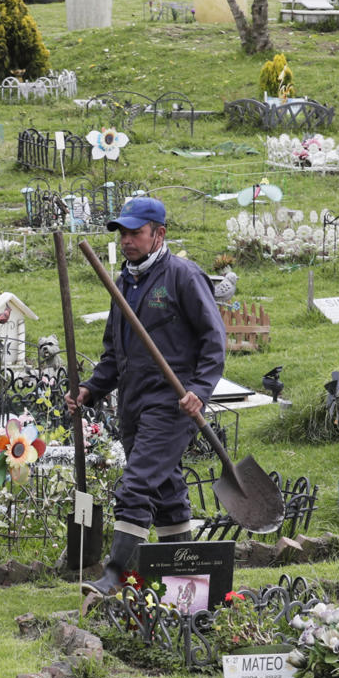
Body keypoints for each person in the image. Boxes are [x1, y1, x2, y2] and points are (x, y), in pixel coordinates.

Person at [68, 197, 226, 599]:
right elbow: (114, 352)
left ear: (159, 234)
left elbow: (214, 341)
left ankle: (115, 574)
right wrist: (91, 388)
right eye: (122, 233)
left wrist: (200, 391)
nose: (126, 241)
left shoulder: (183, 277)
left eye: (135, 233)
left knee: (136, 486)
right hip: (133, 404)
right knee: (167, 489)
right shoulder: (124, 282)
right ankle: (182, 573)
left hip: (172, 404)